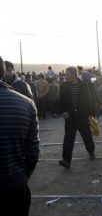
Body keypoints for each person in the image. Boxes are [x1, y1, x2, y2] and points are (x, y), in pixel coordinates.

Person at [0, 56, 40, 216]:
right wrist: (22, 177)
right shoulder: (26, 104)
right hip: (14, 185)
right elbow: (33, 154)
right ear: (4, 72)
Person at [58, 66, 96, 169]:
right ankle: (66, 160)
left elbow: (89, 100)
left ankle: (91, 151)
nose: (66, 76)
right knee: (68, 139)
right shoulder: (64, 86)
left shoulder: (84, 85)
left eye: (68, 74)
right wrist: (63, 111)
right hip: (70, 117)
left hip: (82, 116)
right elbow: (61, 101)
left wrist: (91, 114)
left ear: (74, 74)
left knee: (86, 136)